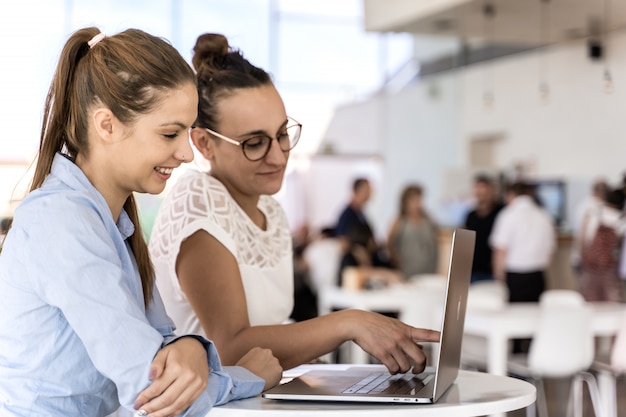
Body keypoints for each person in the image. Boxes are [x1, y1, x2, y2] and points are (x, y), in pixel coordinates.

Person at [0, 27, 282, 417]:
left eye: (187, 131)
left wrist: (190, 350)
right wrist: (244, 375)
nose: (185, 153)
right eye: (170, 133)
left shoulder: (113, 223)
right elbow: (153, 389)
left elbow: (163, 348)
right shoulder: (61, 221)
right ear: (106, 125)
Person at [149, 33, 439, 374]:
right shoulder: (198, 201)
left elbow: (274, 332)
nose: (278, 156)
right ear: (204, 143)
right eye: (254, 142)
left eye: (282, 134)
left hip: (263, 397)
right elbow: (229, 349)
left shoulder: (268, 209)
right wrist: (347, 324)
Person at [489, 181, 556, 353]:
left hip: (515, 276)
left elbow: (500, 249)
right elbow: (550, 250)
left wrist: (498, 276)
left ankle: (515, 361)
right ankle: (533, 359)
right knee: (535, 321)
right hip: (537, 275)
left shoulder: (508, 215)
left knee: (513, 324)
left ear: (511, 195)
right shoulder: (543, 215)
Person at [578, 188, 625, 302]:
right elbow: (618, 247)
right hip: (608, 266)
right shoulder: (620, 220)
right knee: (607, 300)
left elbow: (582, 239)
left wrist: (583, 257)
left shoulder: (593, 212)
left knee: (589, 298)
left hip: (590, 264)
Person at [387, 184, 439, 278]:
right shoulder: (400, 220)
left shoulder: (428, 219)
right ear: (406, 201)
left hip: (428, 270)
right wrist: (396, 260)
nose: (418, 203)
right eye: (414, 199)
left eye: (419, 199)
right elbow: (389, 244)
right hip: (407, 271)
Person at [463, 174, 504, 283]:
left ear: (492, 191)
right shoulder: (471, 215)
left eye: (484, 189)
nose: (480, 193)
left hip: (494, 272)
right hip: (473, 270)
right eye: (478, 189)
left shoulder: (502, 213)